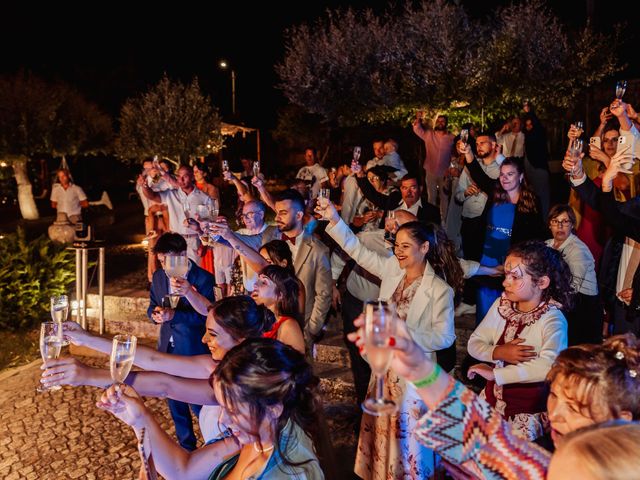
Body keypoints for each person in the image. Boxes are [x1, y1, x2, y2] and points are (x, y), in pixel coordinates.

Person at [349, 315, 640, 479]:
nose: (556, 414)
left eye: (576, 407)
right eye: (554, 396)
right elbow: (488, 437)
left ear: (621, 421)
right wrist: (416, 362)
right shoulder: (545, 469)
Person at [317, 199, 462, 479]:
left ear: (425, 248)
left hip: (414, 383)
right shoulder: (392, 271)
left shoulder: (440, 290)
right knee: (381, 447)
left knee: (408, 451)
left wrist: (402, 333)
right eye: (397, 245)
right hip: (383, 377)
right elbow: (357, 251)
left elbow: (444, 337)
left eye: (405, 246)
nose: (398, 251)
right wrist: (334, 218)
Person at [43, 296, 280, 444]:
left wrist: (88, 375)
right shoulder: (216, 364)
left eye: (213, 334)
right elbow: (155, 361)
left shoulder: (241, 382)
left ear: (241, 339)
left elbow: (165, 386)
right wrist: (86, 339)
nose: (204, 338)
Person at [97, 339, 325, 479]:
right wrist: (139, 420)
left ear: (273, 407)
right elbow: (183, 471)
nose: (224, 419)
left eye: (232, 410)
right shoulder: (261, 434)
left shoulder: (286, 473)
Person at [467, 241, 571, 441]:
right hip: (490, 405)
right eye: (506, 275)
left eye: (515, 277)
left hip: (525, 414)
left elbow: (548, 365)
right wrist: (498, 352)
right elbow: (475, 342)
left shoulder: (551, 318)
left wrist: (496, 374)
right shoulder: (502, 306)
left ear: (541, 282)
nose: (506, 282)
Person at [460, 145, 546, 322]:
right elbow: (479, 175)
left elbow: (537, 236)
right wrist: (468, 152)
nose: (504, 178)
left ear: (521, 176)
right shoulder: (495, 194)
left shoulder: (530, 203)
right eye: (502, 174)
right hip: (487, 261)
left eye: (510, 174)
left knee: (509, 311)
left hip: (513, 265)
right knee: (485, 312)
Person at [148, 232, 214, 450]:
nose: (165, 266)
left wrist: (176, 315)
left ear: (183, 255)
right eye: (161, 261)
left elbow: (207, 317)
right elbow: (151, 305)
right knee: (174, 402)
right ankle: (187, 448)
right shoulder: (158, 277)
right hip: (168, 347)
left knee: (200, 405)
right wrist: (156, 314)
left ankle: (214, 444)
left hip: (193, 349)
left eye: (169, 260)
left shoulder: (203, 278)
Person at [546, 204, 602, 345]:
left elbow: (572, 287)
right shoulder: (547, 245)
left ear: (572, 225)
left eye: (565, 221)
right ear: (549, 225)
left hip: (583, 308)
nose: (560, 226)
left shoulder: (578, 250)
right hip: (563, 301)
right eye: (555, 221)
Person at [138, 165, 213, 265]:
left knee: (191, 276)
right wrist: (144, 186)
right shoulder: (171, 194)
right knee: (175, 275)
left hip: (193, 241)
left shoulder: (203, 198)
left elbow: (208, 224)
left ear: (192, 176)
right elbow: (152, 196)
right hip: (174, 241)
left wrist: (204, 245)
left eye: (185, 176)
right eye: (179, 176)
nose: (181, 179)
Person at [251, 265, 305, 354]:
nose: (255, 284)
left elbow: (297, 366)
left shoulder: (289, 326)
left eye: (264, 282)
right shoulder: (260, 320)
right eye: (258, 280)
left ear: (280, 295)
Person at [412, 112, 455, 221]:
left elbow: (455, 155)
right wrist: (418, 118)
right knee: (431, 197)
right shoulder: (429, 134)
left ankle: (444, 221)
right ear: (436, 123)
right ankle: (432, 220)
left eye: (443, 121)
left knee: (444, 197)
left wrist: (451, 168)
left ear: (446, 123)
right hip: (430, 170)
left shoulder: (451, 138)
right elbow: (417, 129)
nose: (440, 123)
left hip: (445, 173)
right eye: (439, 121)